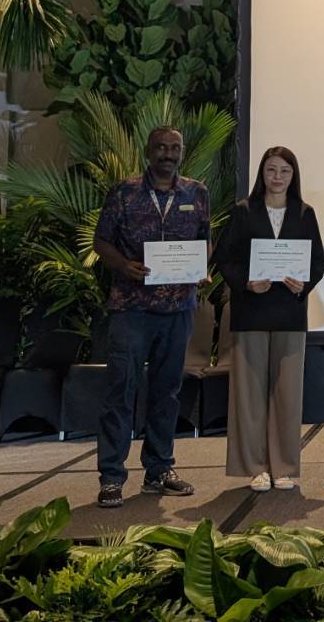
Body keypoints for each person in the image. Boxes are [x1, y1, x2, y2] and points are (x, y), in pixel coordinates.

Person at [91, 125, 209, 508]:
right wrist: (123, 265)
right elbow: (100, 241)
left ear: (182, 152)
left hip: (178, 309)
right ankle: (112, 476)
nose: (167, 154)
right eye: (160, 147)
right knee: (120, 391)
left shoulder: (197, 193)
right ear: (148, 151)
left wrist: (201, 268)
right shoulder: (123, 192)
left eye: (174, 148)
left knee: (167, 393)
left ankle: (159, 469)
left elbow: (204, 239)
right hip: (132, 308)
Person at [214, 146, 324, 492]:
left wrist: (303, 284)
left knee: (287, 393)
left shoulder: (304, 213)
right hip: (250, 310)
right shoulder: (243, 211)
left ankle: (283, 466)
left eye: (284, 171)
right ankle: (255, 467)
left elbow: (318, 261)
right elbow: (225, 258)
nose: (277, 177)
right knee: (248, 394)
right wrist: (246, 282)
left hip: (289, 312)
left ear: (294, 176)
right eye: (271, 170)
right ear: (261, 173)